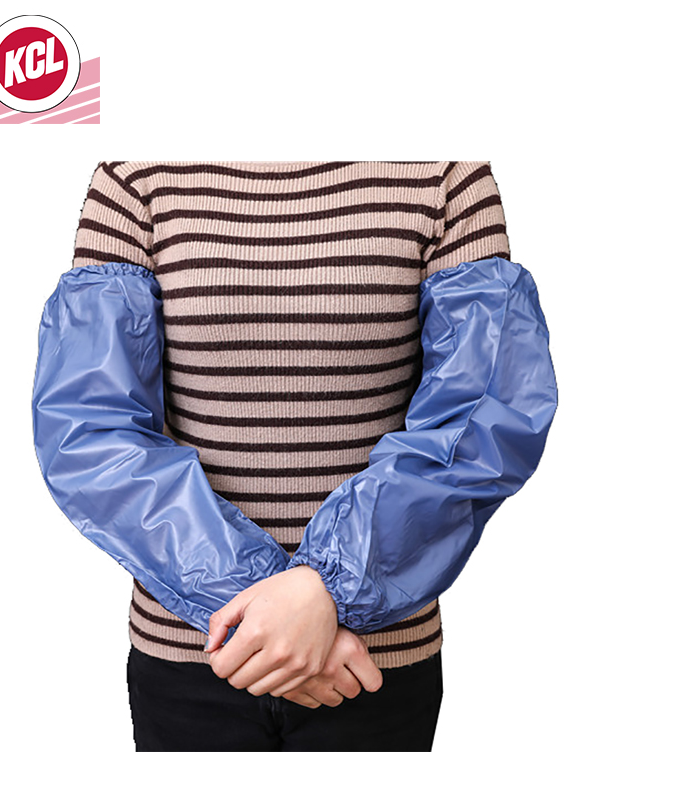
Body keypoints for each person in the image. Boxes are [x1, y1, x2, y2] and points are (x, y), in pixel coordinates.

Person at [31, 161, 557, 751]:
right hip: (198, 656)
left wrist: (325, 591)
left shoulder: (446, 175)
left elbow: (484, 413)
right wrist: (276, 612)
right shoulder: (135, 179)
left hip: (372, 664)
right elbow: (91, 428)